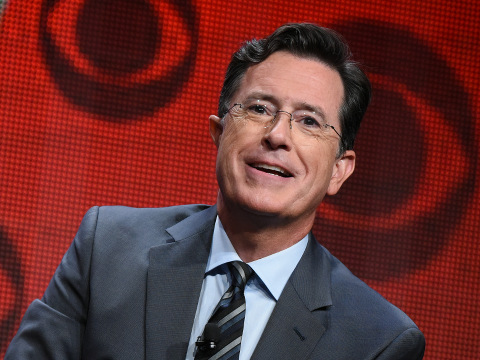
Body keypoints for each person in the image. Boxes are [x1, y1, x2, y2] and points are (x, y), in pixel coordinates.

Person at [5, 23, 425, 359]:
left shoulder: (378, 340)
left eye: (310, 122)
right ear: (219, 133)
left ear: (339, 170)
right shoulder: (107, 249)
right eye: (259, 109)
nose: (277, 135)